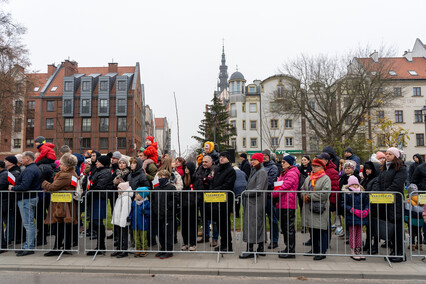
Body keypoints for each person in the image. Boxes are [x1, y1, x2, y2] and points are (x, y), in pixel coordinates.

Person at [372, 147, 407, 263]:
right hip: (385, 203)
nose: (387, 156)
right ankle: (393, 251)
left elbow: (397, 185)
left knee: (397, 228)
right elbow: (378, 181)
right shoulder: (384, 168)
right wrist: (378, 192)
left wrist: (384, 193)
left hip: (395, 203)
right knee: (390, 229)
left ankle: (400, 253)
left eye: (390, 154)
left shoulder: (401, 169)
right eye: (386, 154)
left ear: (396, 156)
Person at [41, 154, 79, 256]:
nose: (59, 166)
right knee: (64, 226)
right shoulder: (72, 173)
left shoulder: (65, 175)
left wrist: (43, 182)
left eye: (61, 164)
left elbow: (53, 187)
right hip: (66, 202)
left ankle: (57, 248)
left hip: (62, 203)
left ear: (66, 166)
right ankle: (65, 247)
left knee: (59, 226)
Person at [10, 151, 42, 256]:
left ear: (28, 159)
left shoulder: (29, 170)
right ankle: (28, 246)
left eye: (23, 158)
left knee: (28, 224)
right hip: (29, 199)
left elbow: (25, 186)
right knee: (29, 224)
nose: (21, 160)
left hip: (26, 199)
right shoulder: (34, 168)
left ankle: (29, 247)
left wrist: (13, 188)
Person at [301, 158, 331, 261]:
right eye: (313, 165)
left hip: (320, 208)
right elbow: (302, 189)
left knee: (321, 230)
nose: (314, 167)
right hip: (310, 208)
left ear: (322, 167)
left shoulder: (325, 178)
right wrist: (304, 195)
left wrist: (309, 196)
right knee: (313, 229)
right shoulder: (309, 178)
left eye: (316, 166)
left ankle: (322, 251)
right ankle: (314, 249)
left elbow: (324, 193)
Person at [240, 153, 268, 259]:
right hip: (253, 202)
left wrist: (245, 193)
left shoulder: (261, 172)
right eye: (252, 160)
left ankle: (250, 250)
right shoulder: (255, 170)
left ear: (260, 161)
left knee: (252, 225)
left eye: (255, 160)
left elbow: (259, 189)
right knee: (256, 224)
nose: (252, 162)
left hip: (256, 202)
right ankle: (260, 248)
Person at [272, 154, 300, 259]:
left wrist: (272, 194)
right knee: (284, 227)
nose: (282, 164)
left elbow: (284, 187)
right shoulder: (285, 172)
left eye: (284, 162)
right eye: (282, 162)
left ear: (290, 163)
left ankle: (291, 250)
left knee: (288, 228)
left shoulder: (292, 173)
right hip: (283, 203)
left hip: (288, 203)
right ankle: (288, 247)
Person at [86, 153, 113, 256]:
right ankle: (100, 246)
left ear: (103, 163)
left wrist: (88, 192)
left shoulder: (105, 172)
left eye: (98, 161)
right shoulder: (99, 171)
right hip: (95, 198)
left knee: (98, 222)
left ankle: (101, 246)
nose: (96, 162)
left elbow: (99, 186)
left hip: (99, 198)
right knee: (96, 222)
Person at [211, 151, 236, 252]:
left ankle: (227, 245)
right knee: (219, 223)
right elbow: (214, 182)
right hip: (217, 199)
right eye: (221, 156)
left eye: (224, 157)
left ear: (228, 159)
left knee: (225, 224)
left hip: (225, 200)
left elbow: (227, 185)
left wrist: (215, 190)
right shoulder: (217, 169)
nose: (221, 158)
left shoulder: (230, 170)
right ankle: (223, 244)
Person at [151, 170, 178, 259]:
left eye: (162, 177)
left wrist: (167, 208)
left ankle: (169, 250)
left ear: (167, 178)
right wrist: (155, 209)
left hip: (168, 214)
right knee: (160, 233)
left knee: (168, 233)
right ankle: (163, 248)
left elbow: (175, 199)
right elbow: (153, 200)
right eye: (159, 177)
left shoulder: (171, 188)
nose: (160, 179)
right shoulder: (156, 188)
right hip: (158, 214)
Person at [341, 176, 369, 261]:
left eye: (356, 184)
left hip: (361, 216)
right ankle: (352, 250)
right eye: (352, 185)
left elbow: (366, 202)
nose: (355, 186)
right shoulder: (347, 193)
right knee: (352, 234)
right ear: (349, 185)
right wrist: (352, 210)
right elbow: (343, 204)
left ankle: (358, 250)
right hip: (352, 216)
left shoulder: (362, 193)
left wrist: (366, 210)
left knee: (359, 234)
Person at [192, 155, 218, 246]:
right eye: (203, 162)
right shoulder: (200, 169)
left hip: (212, 196)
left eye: (206, 162)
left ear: (211, 162)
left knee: (214, 219)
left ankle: (215, 238)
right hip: (202, 196)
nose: (204, 164)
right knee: (204, 218)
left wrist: (204, 179)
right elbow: (196, 178)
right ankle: (205, 236)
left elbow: (211, 179)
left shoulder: (214, 168)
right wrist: (204, 179)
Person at [316, 153, 340, 242]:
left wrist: (333, 202)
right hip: (320, 199)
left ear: (326, 160)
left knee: (326, 221)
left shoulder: (332, 171)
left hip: (328, 200)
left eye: (321, 159)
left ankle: (327, 240)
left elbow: (334, 187)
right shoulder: (320, 169)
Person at [262, 149, 280, 249]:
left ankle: (274, 240)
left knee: (272, 219)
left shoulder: (273, 167)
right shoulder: (260, 167)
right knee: (260, 219)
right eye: (263, 155)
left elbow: (271, 181)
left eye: (266, 155)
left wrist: (260, 186)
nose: (264, 157)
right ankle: (262, 238)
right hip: (260, 196)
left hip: (269, 197)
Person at [337, 160, 360, 236]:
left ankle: (351, 234)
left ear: (352, 169)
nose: (347, 169)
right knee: (345, 217)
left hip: (352, 200)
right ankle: (346, 232)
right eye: (346, 168)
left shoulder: (355, 177)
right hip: (343, 199)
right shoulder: (342, 177)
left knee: (351, 218)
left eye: (349, 168)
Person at [111, 181, 133, 258]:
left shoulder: (126, 198)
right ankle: (119, 248)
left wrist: (123, 221)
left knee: (124, 235)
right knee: (119, 235)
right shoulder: (120, 197)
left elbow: (125, 211)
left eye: (119, 188)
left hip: (123, 221)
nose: (118, 190)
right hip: (119, 220)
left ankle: (124, 249)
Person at [5, 156, 23, 245]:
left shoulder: (15, 172)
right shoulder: (11, 171)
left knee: (14, 219)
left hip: (13, 199)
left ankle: (14, 237)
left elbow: (12, 185)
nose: (5, 162)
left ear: (11, 163)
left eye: (6, 160)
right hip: (11, 199)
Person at [180, 162, 197, 251]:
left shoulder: (195, 178)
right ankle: (185, 242)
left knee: (192, 224)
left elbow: (199, 191)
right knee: (184, 224)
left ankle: (193, 243)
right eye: (185, 168)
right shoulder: (183, 178)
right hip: (184, 204)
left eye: (187, 168)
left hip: (192, 205)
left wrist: (195, 201)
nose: (186, 170)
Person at [129, 187, 150, 257]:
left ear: (142, 195)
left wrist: (146, 212)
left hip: (143, 223)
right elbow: (131, 211)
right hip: (135, 223)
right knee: (136, 237)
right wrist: (129, 217)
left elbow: (150, 212)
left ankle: (144, 249)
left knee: (143, 237)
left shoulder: (147, 203)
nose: (136, 195)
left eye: (138, 194)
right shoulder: (134, 203)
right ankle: (138, 248)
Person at [404, 184, 424, 252]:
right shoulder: (421, 199)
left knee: (412, 231)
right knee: (419, 231)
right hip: (420, 218)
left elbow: (407, 208)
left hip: (412, 218)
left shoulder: (409, 200)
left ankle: (412, 244)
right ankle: (419, 244)